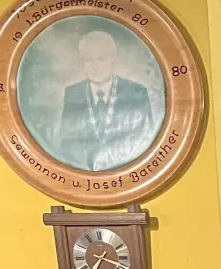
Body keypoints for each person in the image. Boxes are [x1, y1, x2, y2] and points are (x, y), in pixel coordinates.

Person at [57, 29, 156, 172]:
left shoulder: (136, 92)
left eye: (101, 59)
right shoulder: (72, 93)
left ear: (112, 59)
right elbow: (66, 143)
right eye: (88, 60)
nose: (94, 67)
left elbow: (147, 140)